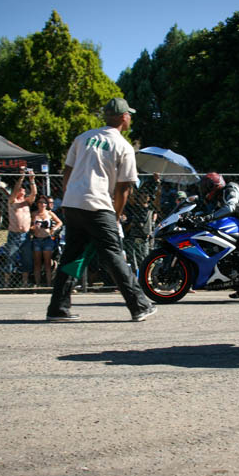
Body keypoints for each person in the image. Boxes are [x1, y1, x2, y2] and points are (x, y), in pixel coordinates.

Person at [46, 97, 156, 322]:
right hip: (98, 205)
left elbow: (67, 171)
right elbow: (123, 188)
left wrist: (69, 196)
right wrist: (115, 216)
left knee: (71, 255)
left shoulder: (83, 137)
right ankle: (139, 305)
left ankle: (58, 308)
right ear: (124, 117)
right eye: (129, 115)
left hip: (73, 204)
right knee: (113, 255)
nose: (130, 118)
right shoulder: (123, 146)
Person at [0, 167, 36, 287]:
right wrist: (22, 177)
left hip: (25, 235)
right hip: (14, 234)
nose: (23, 190)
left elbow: (34, 193)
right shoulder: (13, 201)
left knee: (27, 259)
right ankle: (6, 283)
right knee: (10, 258)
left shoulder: (26, 202)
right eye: (21, 188)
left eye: (24, 189)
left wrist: (32, 180)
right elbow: (14, 191)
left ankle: (24, 283)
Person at [31, 195, 63, 286]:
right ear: (37, 204)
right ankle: (37, 283)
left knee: (47, 262)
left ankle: (49, 284)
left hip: (47, 239)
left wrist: (54, 228)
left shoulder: (49, 213)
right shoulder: (34, 214)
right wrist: (33, 228)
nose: (42, 204)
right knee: (37, 263)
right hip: (37, 239)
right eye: (40, 202)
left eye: (44, 203)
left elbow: (60, 222)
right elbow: (29, 226)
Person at [124, 191, 157, 277]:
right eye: (143, 195)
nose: (145, 197)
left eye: (147, 195)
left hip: (146, 237)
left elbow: (157, 205)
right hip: (135, 237)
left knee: (145, 259)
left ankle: (145, 278)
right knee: (134, 261)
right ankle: (136, 278)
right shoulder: (135, 207)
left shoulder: (151, 208)